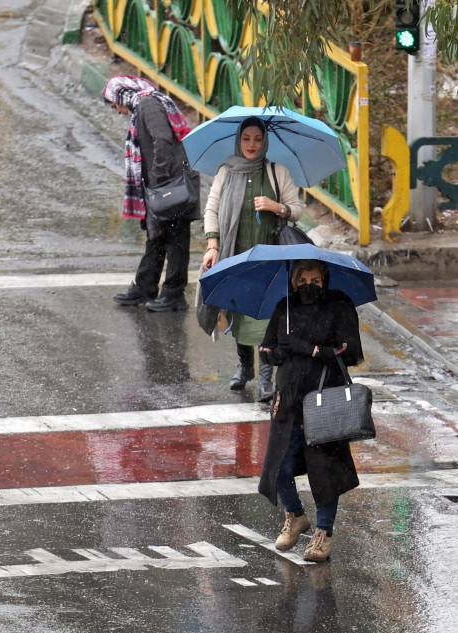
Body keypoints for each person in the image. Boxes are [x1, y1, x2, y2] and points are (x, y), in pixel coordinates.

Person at [258, 259, 363, 562]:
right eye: (302, 279)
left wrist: (313, 349)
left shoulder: (339, 305)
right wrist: (281, 349)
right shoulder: (284, 307)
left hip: (324, 399)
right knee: (278, 467)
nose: (308, 285)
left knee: (324, 471)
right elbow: (268, 350)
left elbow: (351, 351)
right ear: (293, 281)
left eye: (315, 279)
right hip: (287, 399)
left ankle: (323, 534)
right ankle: (295, 514)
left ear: (325, 279)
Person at [202, 116, 302, 402]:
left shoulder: (275, 171)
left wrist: (277, 207)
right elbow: (211, 209)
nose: (252, 145)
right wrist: (213, 244)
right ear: (238, 139)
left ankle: (267, 377)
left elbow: (297, 210)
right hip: (235, 254)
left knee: (266, 316)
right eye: (246, 138)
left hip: (269, 256)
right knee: (239, 311)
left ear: (265, 141)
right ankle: (245, 366)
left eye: (258, 139)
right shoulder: (226, 172)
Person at [103, 75, 196, 312]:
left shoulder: (147, 105)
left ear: (121, 95)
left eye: (115, 104)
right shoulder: (143, 105)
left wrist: (159, 178)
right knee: (157, 237)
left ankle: (173, 294)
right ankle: (145, 287)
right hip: (164, 184)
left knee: (174, 239)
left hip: (169, 185)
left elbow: (163, 140)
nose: (118, 110)